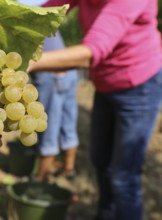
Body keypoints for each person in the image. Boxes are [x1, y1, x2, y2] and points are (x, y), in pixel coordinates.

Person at [28, 1, 162, 220]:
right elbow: (41, 13)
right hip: (105, 83)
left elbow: (91, 51)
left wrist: (29, 62)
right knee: (100, 160)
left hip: (140, 87)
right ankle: (106, 215)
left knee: (124, 176)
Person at [31, 32, 79, 182]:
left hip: (49, 74)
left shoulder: (12, 21)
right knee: (68, 124)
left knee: (48, 130)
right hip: (69, 70)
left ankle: (40, 179)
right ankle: (69, 170)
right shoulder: (38, 12)